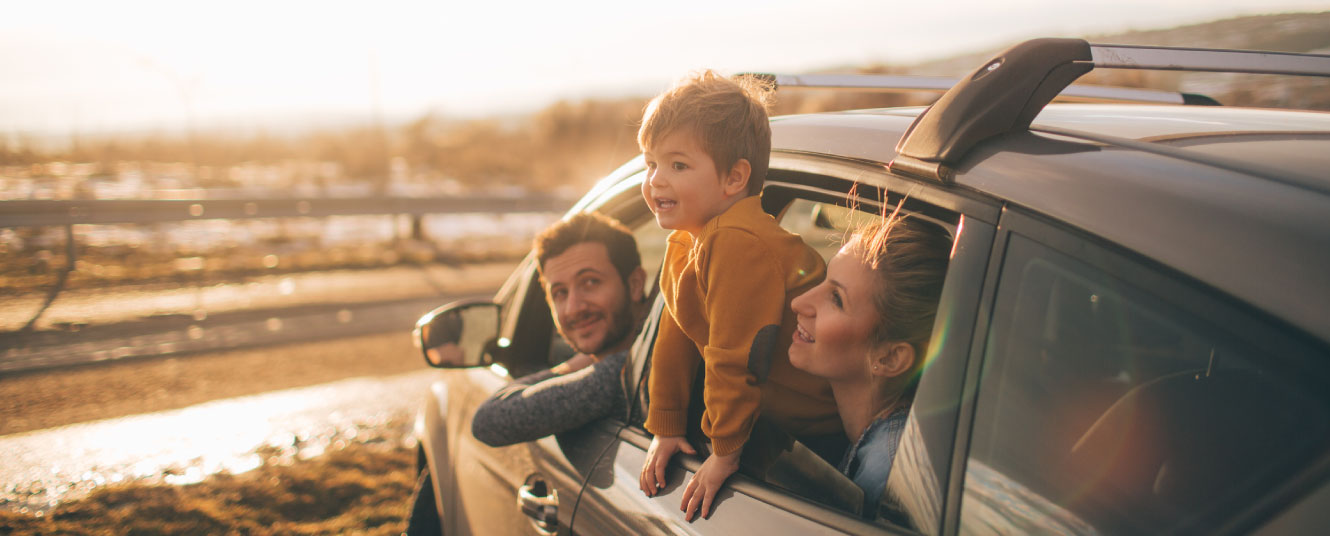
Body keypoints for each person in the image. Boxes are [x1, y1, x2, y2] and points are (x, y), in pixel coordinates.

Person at [635, 70, 841, 521]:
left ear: (734, 178)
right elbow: (675, 336)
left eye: (678, 165)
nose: (656, 181)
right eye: (650, 164)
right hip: (780, 422)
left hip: (823, 429)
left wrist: (724, 451)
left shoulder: (736, 241)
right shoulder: (689, 241)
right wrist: (667, 425)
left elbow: (734, 355)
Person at [787, 210, 952, 514]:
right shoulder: (884, 442)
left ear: (889, 358)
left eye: (836, 298)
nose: (799, 303)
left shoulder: (885, 474)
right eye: (825, 280)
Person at [469, 212, 649, 447]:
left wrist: (575, 366)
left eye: (590, 282)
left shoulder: (630, 373)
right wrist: (583, 362)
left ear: (635, 284)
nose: (573, 308)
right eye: (560, 293)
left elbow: (489, 421)